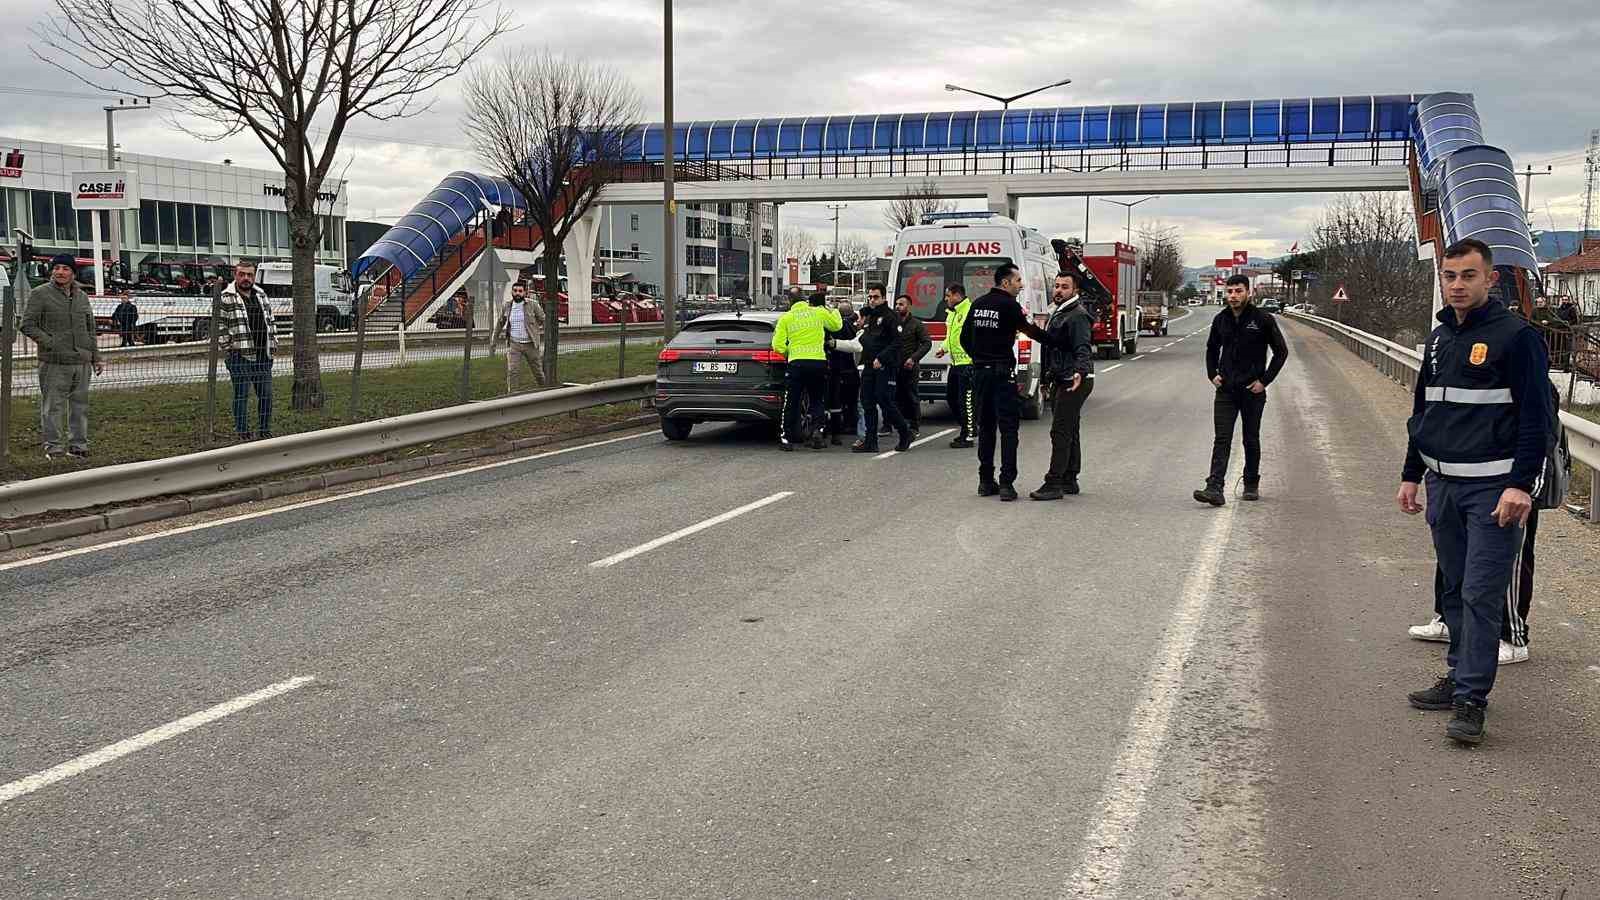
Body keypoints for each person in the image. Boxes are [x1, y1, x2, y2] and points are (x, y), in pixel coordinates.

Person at [1399, 238, 1555, 745]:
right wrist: (1410, 472)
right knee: (1452, 592)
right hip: (1443, 484)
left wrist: (1519, 485)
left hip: (1493, 490)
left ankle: (1471, 700)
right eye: (1450, 275)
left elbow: (1538, 421)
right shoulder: (1440, 337)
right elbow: (1425, 411)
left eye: (1468, 275)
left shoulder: (1518, 338)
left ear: (1490, 279)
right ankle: (1457, 675)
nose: (1457, 284)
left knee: (1480, 594)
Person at [959, 263, 1057, 500]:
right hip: (1002, 375)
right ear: (1005, 283)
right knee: (1009, 429)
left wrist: (979, 358)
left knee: (986, 427)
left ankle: (985, 481)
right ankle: (1006, 484)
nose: (1021, 285)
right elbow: (1031, 331)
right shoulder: (1010, 306)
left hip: (980, 374)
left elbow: (964, 338)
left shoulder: (978, 304)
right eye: (1018, 281)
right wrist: (1058, 341)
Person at [1194, 274, 1288, 506]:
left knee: (1250, 439)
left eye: (1238, 291)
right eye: (1230, 291)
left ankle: (1251, 483)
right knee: (1222, 439)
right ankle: (1214, 487)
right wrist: (1211, 374)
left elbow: (1281, 352)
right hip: (1226, 391)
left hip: (1252, 392)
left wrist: (1264, 381)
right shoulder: (1221, 320)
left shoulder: (1263, 319)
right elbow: (1211, 348)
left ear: (1248, 292)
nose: (1233, 296)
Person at [1409, 506, 1538, 665]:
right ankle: (1453, 622)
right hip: (1465, 485)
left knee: (1510, 556)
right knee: (1453, 549)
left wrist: (1523, 488)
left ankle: (1513, 638)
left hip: (1510, 488)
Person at [21, 255, 103, 459]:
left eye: (65, 268)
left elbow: (90, 329)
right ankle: (54, 448)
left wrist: (96, 357)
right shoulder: (40, 294)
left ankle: (79, 446)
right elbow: (27, 325)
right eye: (56, 268)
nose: (60, 272)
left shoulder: (82, 296)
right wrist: (51, 343)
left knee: (80, 406)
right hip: (54, 362)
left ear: (73, 273)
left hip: (81, 360)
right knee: (53, 407)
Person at [1031, 272, 1096, 500]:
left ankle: (1054, 483)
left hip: (1074, 379)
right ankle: (1070, 478)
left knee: (1060, 430)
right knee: (1071, 429)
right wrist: (1049, 378)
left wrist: (1080, 371)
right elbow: (1055, 347)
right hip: (1064, 376)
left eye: (1064, 287)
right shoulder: (1059, 312)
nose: (1058, 290)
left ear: (1074, 290)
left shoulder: (1077, 316)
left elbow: (1083, 347)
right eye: (1057, 286)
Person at [772, 289, 842, 450]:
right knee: (817, 400)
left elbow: (777, 346)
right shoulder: (818, 312)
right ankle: (817, 431)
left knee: (791, 402)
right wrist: (834, 309)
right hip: (818, 363)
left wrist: (790, 353)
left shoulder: (786, 318)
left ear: (789, 301)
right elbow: (837, 326)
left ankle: (787, 439)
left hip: (796, 364)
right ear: (805, 299)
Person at [216, 259, 277, 440]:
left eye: (249, 274)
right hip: (239, 356)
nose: (246, 278)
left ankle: (264, 430)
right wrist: (229, 348)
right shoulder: (226, 297)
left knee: (266, 395)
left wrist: (273, 343)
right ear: (235, 274)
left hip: (262, 355)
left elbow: (270, 321)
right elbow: (220, 327)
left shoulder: (261, 294)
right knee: (241, 395)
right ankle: (242, 431)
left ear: (254, 276)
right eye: (242, 274)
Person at [853, 285, 913, 453]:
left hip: (884, 365)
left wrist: (882, 357)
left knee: (884, 400)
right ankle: (871, 442)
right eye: (870, 297)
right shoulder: (870, 316)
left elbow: (897, 342)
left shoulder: (890, 316)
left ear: (884, 298)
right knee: (867, 402)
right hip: (869, 364)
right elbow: (866, 339)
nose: (872, 300)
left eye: (876, 297)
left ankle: (905, 432)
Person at [936, 284, 975, 448]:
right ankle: (969, 428)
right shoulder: (952, 313)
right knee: (951, 398)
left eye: (948, 296)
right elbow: (951, 336)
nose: (946, 299)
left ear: (957, 295)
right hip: (955, 363)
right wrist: (943, 349)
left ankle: (968, 435)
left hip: (968, 363)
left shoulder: (969, 311)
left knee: (965, 401)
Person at [492, 280, 547, 392]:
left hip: (530, 344)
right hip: (514, 344)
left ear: (525, 293)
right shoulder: (507, 306)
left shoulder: (532, 305)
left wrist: (536, 330)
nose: (517, 293)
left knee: (538, 372)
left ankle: (546, 391)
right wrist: (494, 339)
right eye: (515, 291)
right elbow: (500, 323)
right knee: (512, 371)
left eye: (520, 291)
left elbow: (543, 319)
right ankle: (512, 395)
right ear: (512, 292)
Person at [894, 294, 932, 435]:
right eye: (897, 304)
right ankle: (897, 424)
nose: (898, 307)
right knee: (895, 396)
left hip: (910, 367)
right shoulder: (893, 323)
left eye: (901, 304)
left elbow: (927, 343)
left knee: (911, 396)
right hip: (894, 366)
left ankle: (914, 425)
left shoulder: (916, 324)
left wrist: (913, 358)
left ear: (909, 306)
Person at [824, 299, 861, 445]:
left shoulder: (835, 326)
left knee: (834, 399)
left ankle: (835, 427)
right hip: (850, 367)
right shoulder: (853, 326)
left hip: (835, 367)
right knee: (850, 400)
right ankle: (850, 424)